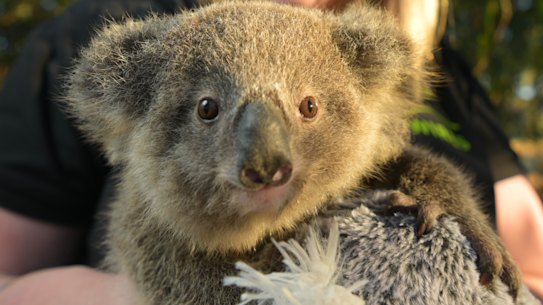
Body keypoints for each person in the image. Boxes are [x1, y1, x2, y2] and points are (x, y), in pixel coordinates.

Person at [0, 0, 541, 303]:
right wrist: (127, 298)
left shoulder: (442, 73)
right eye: (208, 111)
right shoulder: (94, 32)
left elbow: (531, 257)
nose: (266, 158)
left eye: (309, 108)